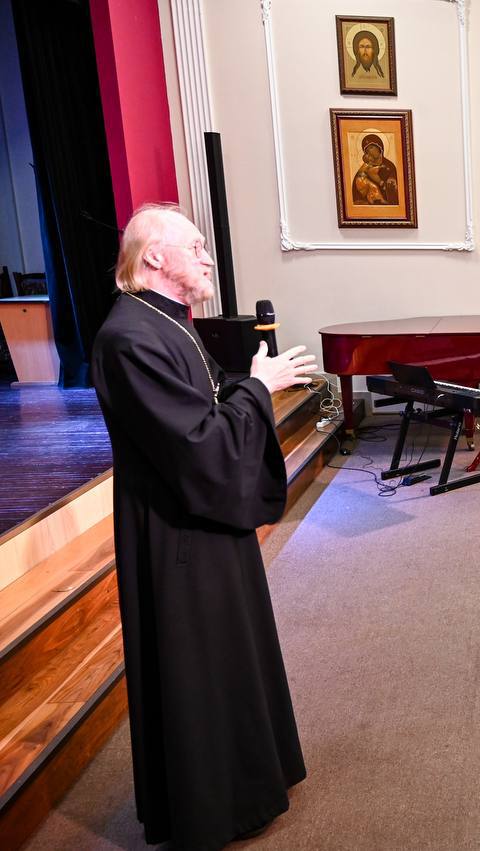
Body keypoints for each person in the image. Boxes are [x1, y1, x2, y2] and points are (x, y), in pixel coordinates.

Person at [91, 205, 311, 847]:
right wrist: (259, 389)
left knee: (230, 650)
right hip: (175, 533)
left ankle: (250, 781)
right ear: (155, 257)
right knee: (198, 665)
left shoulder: (168, 322)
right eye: (196, 246)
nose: (208, 257)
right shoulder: (130, 338)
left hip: (204, 518)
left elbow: (211, 401)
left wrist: (253, 386)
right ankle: (212, 806)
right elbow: (198, 444)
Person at [352, 135, 398, 205]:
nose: (370, 151)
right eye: (367, 151)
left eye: (371, 147)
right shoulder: (364, 168)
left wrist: (385, 183)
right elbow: (356, 194)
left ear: (379, 147)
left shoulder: (389, 166)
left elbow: (396, 191)